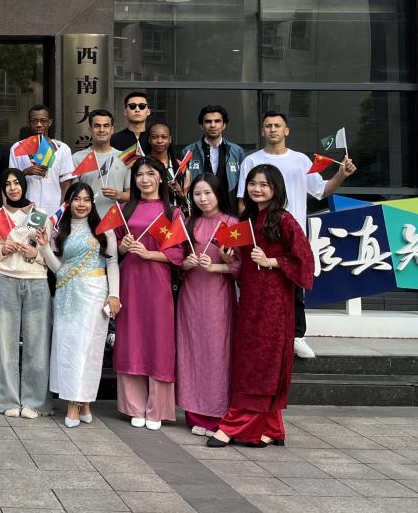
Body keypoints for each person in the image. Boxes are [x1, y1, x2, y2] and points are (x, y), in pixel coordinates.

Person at [208, 164, 314, 448]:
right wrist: (229, 257)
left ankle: (234, 425)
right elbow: (242, 264)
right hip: (250, 300)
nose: (256, 189)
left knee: (261, 361)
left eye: (264, 184)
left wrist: (272, 261)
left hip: (275, 303)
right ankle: (271, 426)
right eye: (252, 183)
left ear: (276, 189)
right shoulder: (249, 219)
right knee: (250, 359)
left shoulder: (284, 220)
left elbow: (305, 260)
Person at [238, 111, 356, 360]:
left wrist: (341, 175)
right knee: (260, 286)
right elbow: (243, 200)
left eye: (277, 125)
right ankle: (262, 336)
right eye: (268, 125)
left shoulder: (300, 160)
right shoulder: (251, 161)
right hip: (261, 231)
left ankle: (297, 336)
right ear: (262, 131)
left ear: (286, 130)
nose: (272, 129)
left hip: (291, 230)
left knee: (293, 283)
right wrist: (248, 231)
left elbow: (321, 190)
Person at [113, 157, 187, 430]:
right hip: (130, 281)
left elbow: (179, 253)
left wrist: (150, 254)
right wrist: (123, 246)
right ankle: (134, 406)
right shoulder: (124, 210)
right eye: (139, 175)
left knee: (159, 340)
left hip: (158, 283)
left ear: (160, 177)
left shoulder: (172, 213)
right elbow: (112, 247)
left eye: (150, 173)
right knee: (131, 338)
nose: (144, 179)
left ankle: (157, 408)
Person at [40, 183, 120, 427]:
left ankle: (76, 403)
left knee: (89, 349)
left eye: (86, 199)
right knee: (68, 348)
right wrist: (44, 246)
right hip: (66, 294)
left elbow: (112, 262)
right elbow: (58, 269)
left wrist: (114, 294)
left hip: (95, 294)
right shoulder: (60, 231)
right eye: (77, 199)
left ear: (92, 203)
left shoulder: (103, 228)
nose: (82, 204)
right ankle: (81, 401)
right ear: (68, 202)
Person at [0, 168, 52, 419]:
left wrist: (36, 254)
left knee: (37, 343)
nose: (13, 188)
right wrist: (3, 250)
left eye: (16, 183)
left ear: (24, 185)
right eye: (7, 184)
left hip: (36, 281)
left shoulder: (40, 215)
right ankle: (8, 401)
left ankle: (34, 402)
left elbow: (50, 253)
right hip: (5, 279)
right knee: (5, 343)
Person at [178, 174, 239, 436]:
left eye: (208, 193)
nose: (203, 199)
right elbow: (176, 260)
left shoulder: (232, 223)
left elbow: (241, 267)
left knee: (217, 353)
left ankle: (217, 413)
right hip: (191, 296)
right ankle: (193, 413)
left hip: (218, 298)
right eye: (197, 194)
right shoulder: (187, 223)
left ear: (218, 194)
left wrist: (219, 265)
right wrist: (186, 263)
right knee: (191, 351)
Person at [8, 104, 73, 215]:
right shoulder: (17, 148)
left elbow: (66, 183)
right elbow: (10, 180)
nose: (38, 124)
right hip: (25, 208)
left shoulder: (62, 148)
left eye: (43, 121)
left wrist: (61, 211)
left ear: (50, 122)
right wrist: (25, 172)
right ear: (29, 123)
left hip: (53, 209)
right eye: (34, 121)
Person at [70, 109, 130, 216]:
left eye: (106, 126)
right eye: (97, 126)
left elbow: (132, 195)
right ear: (90, 129)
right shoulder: (77, 158)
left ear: (112, 129)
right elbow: (72, 194)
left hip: (115, 220)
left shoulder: (124, 157)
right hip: (86, 219)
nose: (101, 130)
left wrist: (119, 195)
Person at [183, 104, 245, 196]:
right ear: (201, 126)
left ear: (224, 125)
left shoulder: (237, 151)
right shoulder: (188, 151)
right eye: (208, 121)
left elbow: (243, 182)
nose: (213, 125)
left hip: (229, 203)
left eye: (217, 121)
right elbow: (184, 182)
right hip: (200, 202)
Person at [146, 121, 188, 215]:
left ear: (170, 139)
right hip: (148, 216)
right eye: (155, 137)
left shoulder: (180, 166)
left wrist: (180, 192)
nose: (159, 141)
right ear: (149, 139)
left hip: (175, 217)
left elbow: (190, 200)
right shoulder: (142, 165)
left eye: (164, 137)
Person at [111, 91, 152, 155]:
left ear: (148, 112)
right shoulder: (114, 140)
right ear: (125, 112)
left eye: (142, 106)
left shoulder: (155, 139)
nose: (137, 110)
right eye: (132, 106)